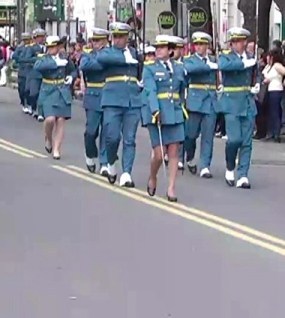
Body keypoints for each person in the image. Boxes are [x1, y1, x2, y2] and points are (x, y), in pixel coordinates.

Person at [88, 22, 143, 187]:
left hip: (132, 99)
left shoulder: (134, 53)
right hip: (112, 100)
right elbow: (102, 58)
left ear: (127, 37)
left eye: (121, 37)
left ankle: (127, 172)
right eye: (115, 36)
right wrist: (125, 58)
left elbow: (142, 68)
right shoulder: (108, 52)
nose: (117, 40)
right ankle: (111, 162)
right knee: (112, 137)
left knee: (130, 139)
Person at [142, 35, 187, 201]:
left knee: (174, 151)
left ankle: (171, 188)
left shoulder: (180, 68)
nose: (158, 50)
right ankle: (153, 176)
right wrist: (155, 110)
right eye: (157, 47)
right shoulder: (149, 68)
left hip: (174, 112)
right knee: (160, 154)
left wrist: (182, 106)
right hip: (157, 112)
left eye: (162, 47)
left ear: (170, 50)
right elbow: (150, 91)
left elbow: (182, 89)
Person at [219, 28, 259, 188]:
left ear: (244, 42)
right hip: (232, 103)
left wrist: (257, 84)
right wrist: (243, 64)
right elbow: (224, 66)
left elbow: (258, 74)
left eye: (239, 41)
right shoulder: (226, 57)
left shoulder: (251, 57)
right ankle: (230, 166)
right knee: (234, 139)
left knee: (247, 142)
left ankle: (243, 175)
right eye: (234, 42)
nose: (236, 44)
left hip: (248, 102)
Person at [34, 35, 77, 159]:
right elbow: (38, 67)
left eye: (53, 46)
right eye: (49, 47)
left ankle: (57, 149)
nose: (51, 49)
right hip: (48, 90)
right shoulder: (44, 58)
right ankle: (48, 138)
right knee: (50, 119)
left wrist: (71, 77)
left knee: (60, 119)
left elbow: (73, 70)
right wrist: (54, 63)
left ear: (58, 47)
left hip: (62, 90)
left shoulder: (65, 58)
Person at [182, 31, 219, 178]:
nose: (198, 47)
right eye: (196, 44)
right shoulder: (189, 60)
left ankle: (205, 166)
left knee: (208, 135)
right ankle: (190, 157)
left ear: (207, 46)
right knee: (190, 135)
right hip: (196, 100)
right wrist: (209, 66)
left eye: (201, 44)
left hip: (210, 100)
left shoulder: (213, 59)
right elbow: (190, 70)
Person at [78, 28, 110, 173]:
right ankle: (90, 154)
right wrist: (101, 63)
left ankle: (104, 162)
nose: (95, 43)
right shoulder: (87, 54)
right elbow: (84, 65)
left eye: (98, 40)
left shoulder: (111, 54)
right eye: (93, 40)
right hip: (93, 94)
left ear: (105, 41)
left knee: (107, 130)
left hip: (108, 94)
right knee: (91, 131)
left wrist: (97, 63)